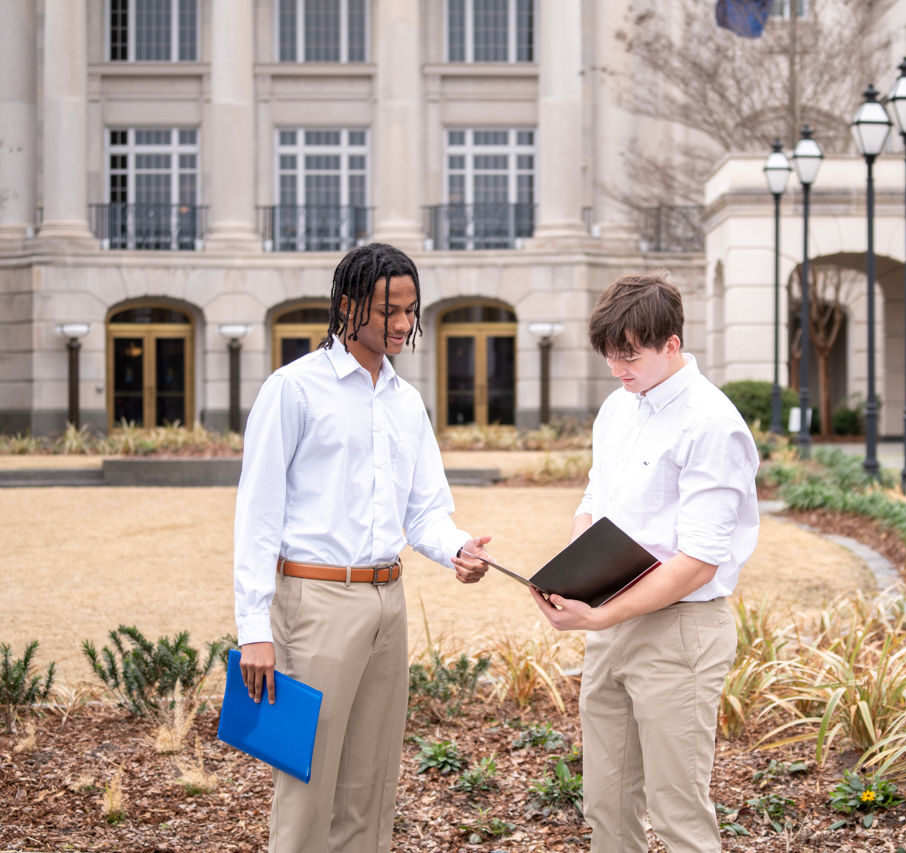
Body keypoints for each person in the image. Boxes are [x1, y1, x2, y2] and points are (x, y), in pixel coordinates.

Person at [233, 242, 494, 853]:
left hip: (387, 602)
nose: (404, 323)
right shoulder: (292, 390)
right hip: (313, 603)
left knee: (371, 783)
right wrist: (254, 629)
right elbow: (257, 513)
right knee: (307, 781)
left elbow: (425, 509)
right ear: (348, 307)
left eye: (411, 310)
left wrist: (457, 548)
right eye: (389, 311)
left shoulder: (406, 402)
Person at [529, 272, 760, 853]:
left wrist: (599, 617)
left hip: (680, 630)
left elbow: (700, 561)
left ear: (672, 345)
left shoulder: (713, 423)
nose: (617, 368)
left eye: (629, 355)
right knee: (606, 805)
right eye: (610, 355)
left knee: (679, 814)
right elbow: (594, 501)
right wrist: (577, 573)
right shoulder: (617, 407)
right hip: (611, 623)